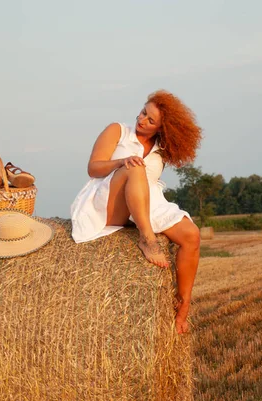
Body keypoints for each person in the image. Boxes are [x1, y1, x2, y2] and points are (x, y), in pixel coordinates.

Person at [70, 90, 202, 334]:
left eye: (151, 120)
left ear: (162, 128)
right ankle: (147, 239)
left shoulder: (161, 150)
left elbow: (150, 187)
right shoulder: (117, 131)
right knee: (135, 168)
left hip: (147, 203)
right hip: (108, 201)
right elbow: (93, 167)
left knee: (192, 235)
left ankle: (182, 307)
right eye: (143, 112)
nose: (142, 120)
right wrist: (122, 162)